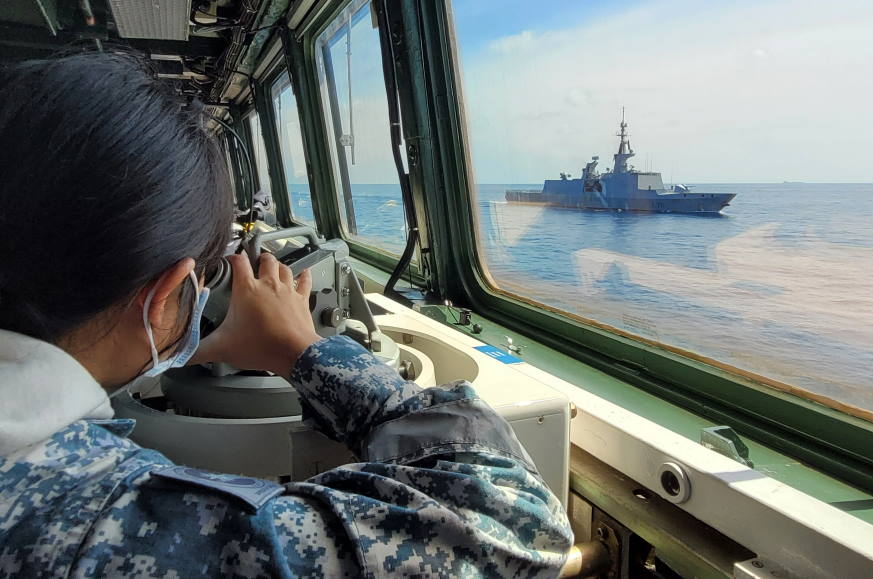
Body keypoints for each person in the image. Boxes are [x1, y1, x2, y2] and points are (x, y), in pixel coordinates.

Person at [0, 51, 572, 577]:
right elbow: (515, 523)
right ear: (165, 296)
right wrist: (306, 350)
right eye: (203, 279)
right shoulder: (93, 527)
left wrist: (167, 350)